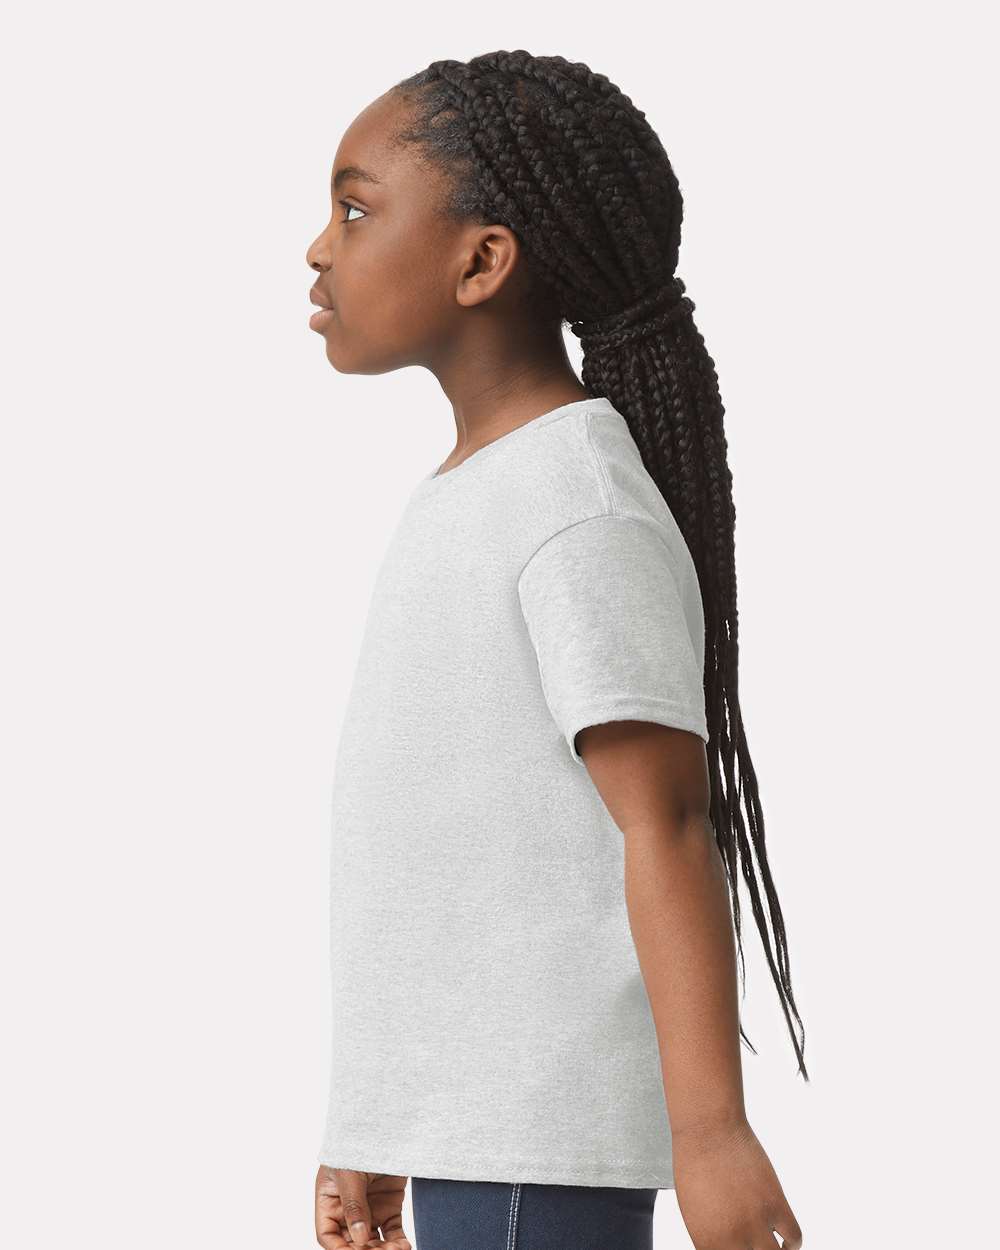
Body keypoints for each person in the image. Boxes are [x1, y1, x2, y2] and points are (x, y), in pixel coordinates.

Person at [306, 50, 806, 1250]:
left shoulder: (576, 502)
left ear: (482, 261)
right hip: (480, 1143)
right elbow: (445, 870)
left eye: (355, 210)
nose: (319, 248)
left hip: (536, 1158)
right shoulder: (479, 492)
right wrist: (378, 1114)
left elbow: (666, 822)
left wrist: (712, 1134)